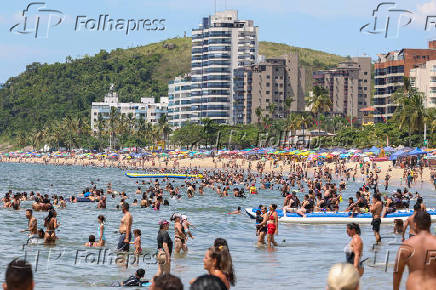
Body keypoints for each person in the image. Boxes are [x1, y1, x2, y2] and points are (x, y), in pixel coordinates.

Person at [393, 211, 436, 290]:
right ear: (430, 224)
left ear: (415, 225)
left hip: (414, 287)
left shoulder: (407, 245)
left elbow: (397, 272)